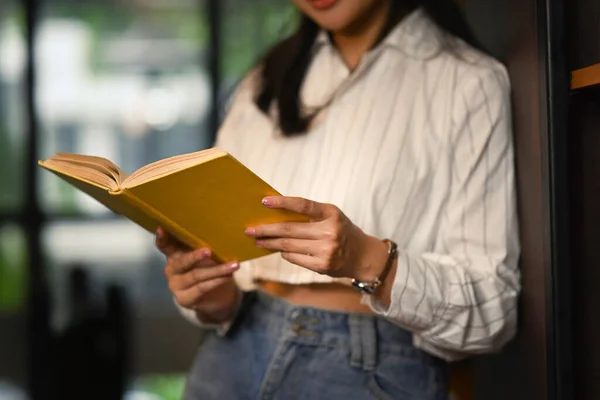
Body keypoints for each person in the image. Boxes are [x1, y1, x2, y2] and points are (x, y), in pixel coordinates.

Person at [156, 0, 520, 398]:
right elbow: (224, 277)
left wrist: (366, 258)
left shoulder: (469, 82)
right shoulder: (263, 81)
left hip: (370, 365)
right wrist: (212, 296)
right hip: (229, 357)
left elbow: (493, 313)